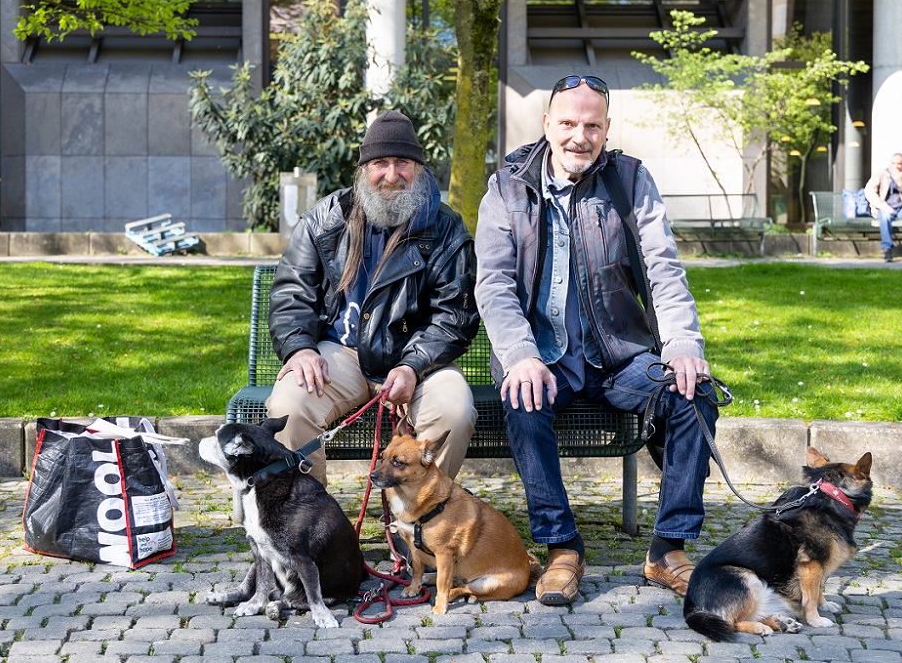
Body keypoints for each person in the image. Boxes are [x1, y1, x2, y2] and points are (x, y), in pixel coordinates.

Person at [474, 75, 718, 604]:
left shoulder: (630, 180)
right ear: (546, 125)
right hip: (541, 358)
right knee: (523, 397)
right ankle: (562, 548)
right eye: (567, 123)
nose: (579, 136)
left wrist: (682, 345)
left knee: (694, 394)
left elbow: (663, 269)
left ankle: (667, 550)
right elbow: (493, 284)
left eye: (591, 125)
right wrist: (518, 355)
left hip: (618, 357)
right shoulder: (507, 188)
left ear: (606, 129)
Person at [266, 110, 479, 486]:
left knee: (454, 412)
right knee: (289, 407)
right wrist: (300, 347)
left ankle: (417, 522)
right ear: (364, 169)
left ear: (419, 169)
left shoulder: (446, 228)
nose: (392, 175)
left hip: (417, 358)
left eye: (403, 163)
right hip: (340, 353)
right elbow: (291, 292)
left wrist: (413, 366)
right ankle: (312, 519)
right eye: (380, 163)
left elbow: (454, 315)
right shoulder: (324, 219)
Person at [863, 153, 902, 263]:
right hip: (884, 208)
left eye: (899, 164)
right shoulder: (882, 174)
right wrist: (883, 206)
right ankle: (887, 249)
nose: (896, 166)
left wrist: (900, 183)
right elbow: (869, 191)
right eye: (893, 163)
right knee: (885, 217)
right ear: (890, 163)